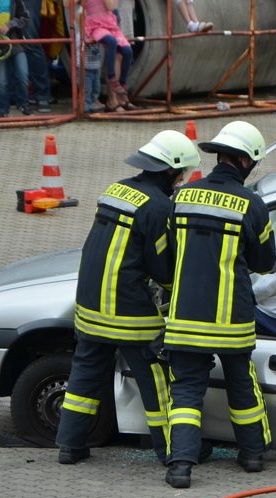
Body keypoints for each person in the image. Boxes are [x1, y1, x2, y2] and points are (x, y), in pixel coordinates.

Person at [57, 130, 201, 467]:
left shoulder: (115, 189)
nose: (181, 181)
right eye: (180, 175)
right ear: (170, 170)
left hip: (90, 305)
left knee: (85, 375)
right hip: (128, 311)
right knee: (155, 378)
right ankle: (170, 450)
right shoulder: (159, 206)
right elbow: (162, 266)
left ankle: (69, 445)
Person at [162, 121, 276, 489]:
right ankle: (252, 456)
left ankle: (180, 466)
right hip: (232, 317)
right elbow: (264, 261)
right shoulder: (252, 205)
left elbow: (167, 255)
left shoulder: (181, 197)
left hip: (185, 316)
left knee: (185, 392)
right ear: (246, 161)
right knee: (241, 384)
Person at [81, 0, 135, 111]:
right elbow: (68, 5)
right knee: (111, 42)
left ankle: (122, 85)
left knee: (127, 51)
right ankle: (112, 78)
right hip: (94, 24)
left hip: (110, 22)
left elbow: (112, 6)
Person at [82, 41, 103, 113]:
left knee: (96, 87)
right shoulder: (81, 35)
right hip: (86, 67)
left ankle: (93, 104)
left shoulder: (98, 34)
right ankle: (85, 107)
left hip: (96, 66)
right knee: (87, 89)